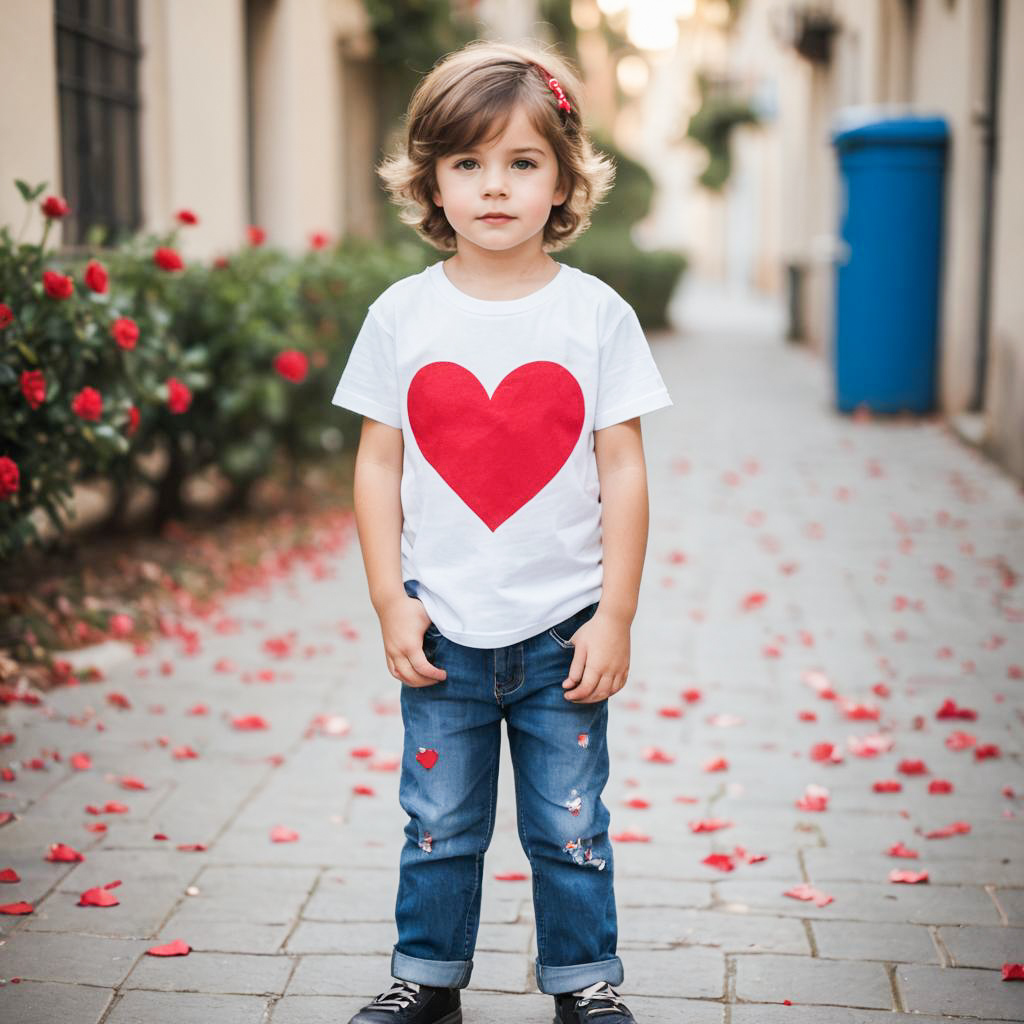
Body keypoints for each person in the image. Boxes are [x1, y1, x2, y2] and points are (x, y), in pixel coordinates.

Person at [332, 38, 673, 1024]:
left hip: (562, 630)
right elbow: (376, 462)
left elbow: (624, 467)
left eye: (522, 162)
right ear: (430, 180)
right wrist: (389, 597)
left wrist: (615, 613)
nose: (493, 187)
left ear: (562, 177)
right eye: (467, 163)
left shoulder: (595, 315)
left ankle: (584, 983)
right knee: (437, 822)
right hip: (442, 630)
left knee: (571, 825)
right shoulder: (401, 316)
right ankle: (427, 978)